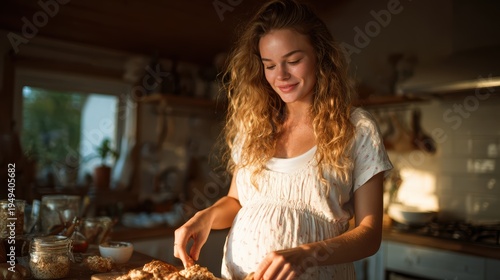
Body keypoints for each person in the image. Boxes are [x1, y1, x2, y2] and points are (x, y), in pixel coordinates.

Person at [174, 0, 393, 279]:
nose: (281, 76)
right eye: (270, 65)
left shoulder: (356, 128)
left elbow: (369, 235)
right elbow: (236, 201)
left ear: (320, 56)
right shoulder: (253, 124)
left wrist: (305, 254)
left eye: (293, 61)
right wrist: (205, 217)